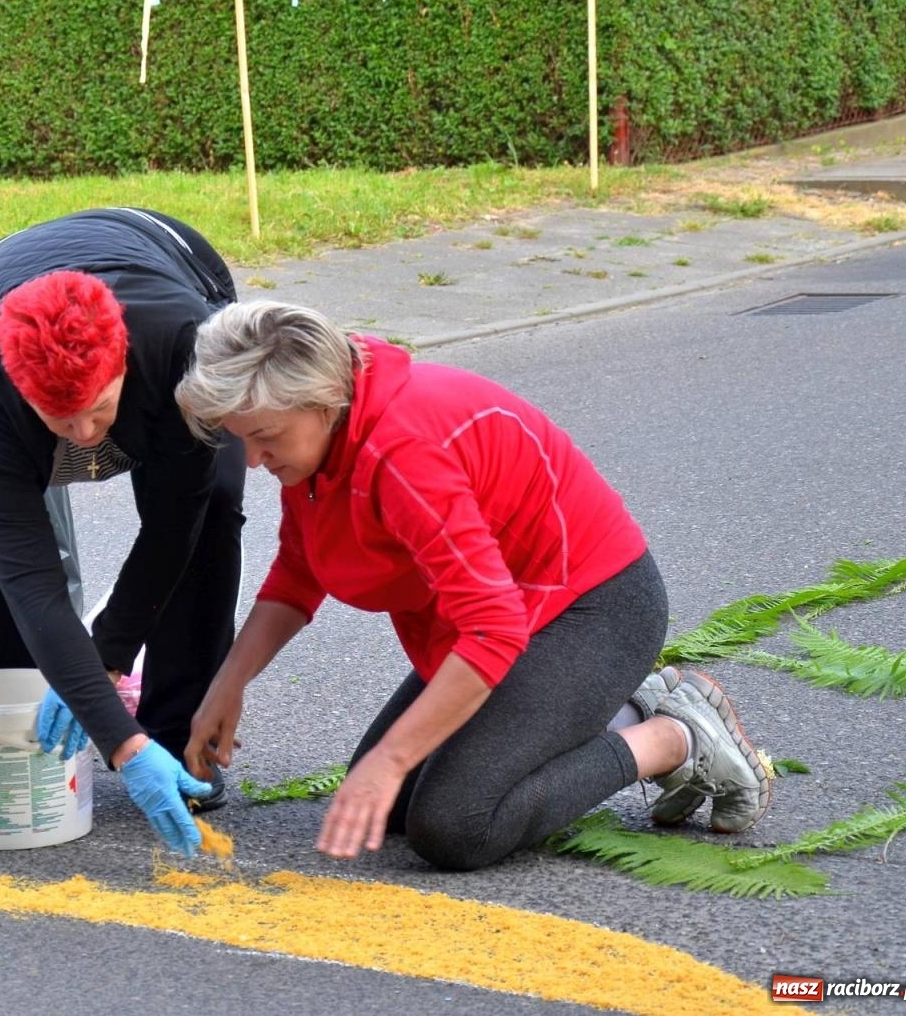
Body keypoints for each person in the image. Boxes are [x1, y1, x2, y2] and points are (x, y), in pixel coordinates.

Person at [176, 301, 772, 870]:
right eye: (241, 438)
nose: (252, 460)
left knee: (457, 824)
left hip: (591, 609)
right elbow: (300, 570)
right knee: (392, 810)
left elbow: (493, 629)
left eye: (266, 437)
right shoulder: (321, 440)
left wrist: (394, 756)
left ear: (323, 400)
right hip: (504, 618)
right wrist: (228, 684)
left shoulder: (404, 451)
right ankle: (622, 704)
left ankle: (673, 736)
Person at [0, 208, 244, 856]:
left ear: (123, 363)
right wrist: (108, 729)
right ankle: (46, 722)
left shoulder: (185, 345)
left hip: (168, 261)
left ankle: (177, 737)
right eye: (60, 418)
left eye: (98, 410)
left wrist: (109, 658)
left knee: (210, 511)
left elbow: (173, 524)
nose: (83, 436)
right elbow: (30, 581)